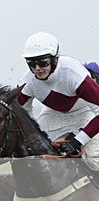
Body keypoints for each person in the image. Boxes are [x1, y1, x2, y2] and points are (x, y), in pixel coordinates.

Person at [16, 32, 99, 169]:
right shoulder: (27, 81)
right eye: (31, 63)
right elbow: (22, 114)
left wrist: (78, 141)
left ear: (55, 59)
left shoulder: (73, 73)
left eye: (43, 62)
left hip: (85, 112)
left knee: (93, 160)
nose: (37, 69)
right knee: (31, 153)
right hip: (53, 114)